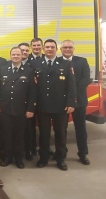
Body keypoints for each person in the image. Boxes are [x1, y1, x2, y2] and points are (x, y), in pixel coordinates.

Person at [30, 39, 76, 171]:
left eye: (52, 47)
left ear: (57, 49)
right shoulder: (35, 63)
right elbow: (33, 86)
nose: (50, 49)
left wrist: (71, 102)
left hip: (60, 106)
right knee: (44, 134)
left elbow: (71, 86)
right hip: (42, 105)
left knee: (60, 133)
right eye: (47, 47)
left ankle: (60, 159)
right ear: (43, 49)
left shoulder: (66, 64)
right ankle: (43, 158)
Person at [0, 47, 37, 169]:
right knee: (6, 134)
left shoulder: (29, 71)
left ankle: (19, 158)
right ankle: (7, 157)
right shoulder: (3, 70)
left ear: (22, 56)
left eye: (18, 54)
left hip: (21, 109)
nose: (15, 56)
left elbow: (33, 92)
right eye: (13, 54)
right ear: (10, 55)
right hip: (5, 108)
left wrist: (30, 109)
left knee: (19, 135)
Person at [60, 40, 91, 165]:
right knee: (62, 129)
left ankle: (83, 153)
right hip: (62, 102)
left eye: (70, 47)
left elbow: (86, 79)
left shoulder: (82, 61)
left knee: (81, 129)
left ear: (74, 48)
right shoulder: (57, 62)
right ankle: (62, 154)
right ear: (61, 49)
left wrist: (72, 95)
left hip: (79, 101)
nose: (67, 49)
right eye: (65, 47)